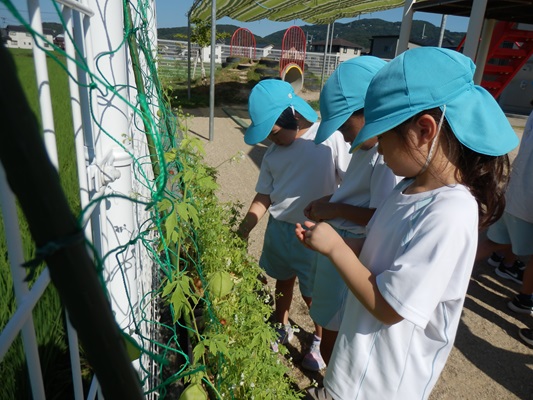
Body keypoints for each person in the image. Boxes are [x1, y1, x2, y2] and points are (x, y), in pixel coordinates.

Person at [296, 47, 519, 400]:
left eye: (383, 137)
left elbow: (390, 308)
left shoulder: (450, 213)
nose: (379, 151)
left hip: (381, 385)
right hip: (355, 365)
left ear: (423, 130)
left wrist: (337, 248)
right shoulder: (405, 189)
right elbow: (380, 253)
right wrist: (331, 241)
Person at [237, 79, 351, 370]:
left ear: (293, 115)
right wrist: (245, 226)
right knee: (281, 280)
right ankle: (281, 322)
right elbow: (264, 195)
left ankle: (317, 337)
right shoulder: (273, 154)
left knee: (314, 293)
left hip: (315, 233)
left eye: (273, 133)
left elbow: (349, 184)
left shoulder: (328, 140)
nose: (271, 140)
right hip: (280, 228)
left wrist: (335, 208)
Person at [303, 56, 400, 367]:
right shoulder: (366, 148)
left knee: (334, 320)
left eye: (345, 126)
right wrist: (328, 204)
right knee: (326, 309)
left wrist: (332, 208)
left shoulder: (385, 160)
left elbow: (379, 216)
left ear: (371, 112)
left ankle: (328, 376)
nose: (344, 137)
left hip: (352, 246)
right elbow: (356, 193)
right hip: (340, 238)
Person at [477, 104, 533, 316]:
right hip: (527, 200)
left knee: (497, 241)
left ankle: (507, 264)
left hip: (515, 190)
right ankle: (524, 297)